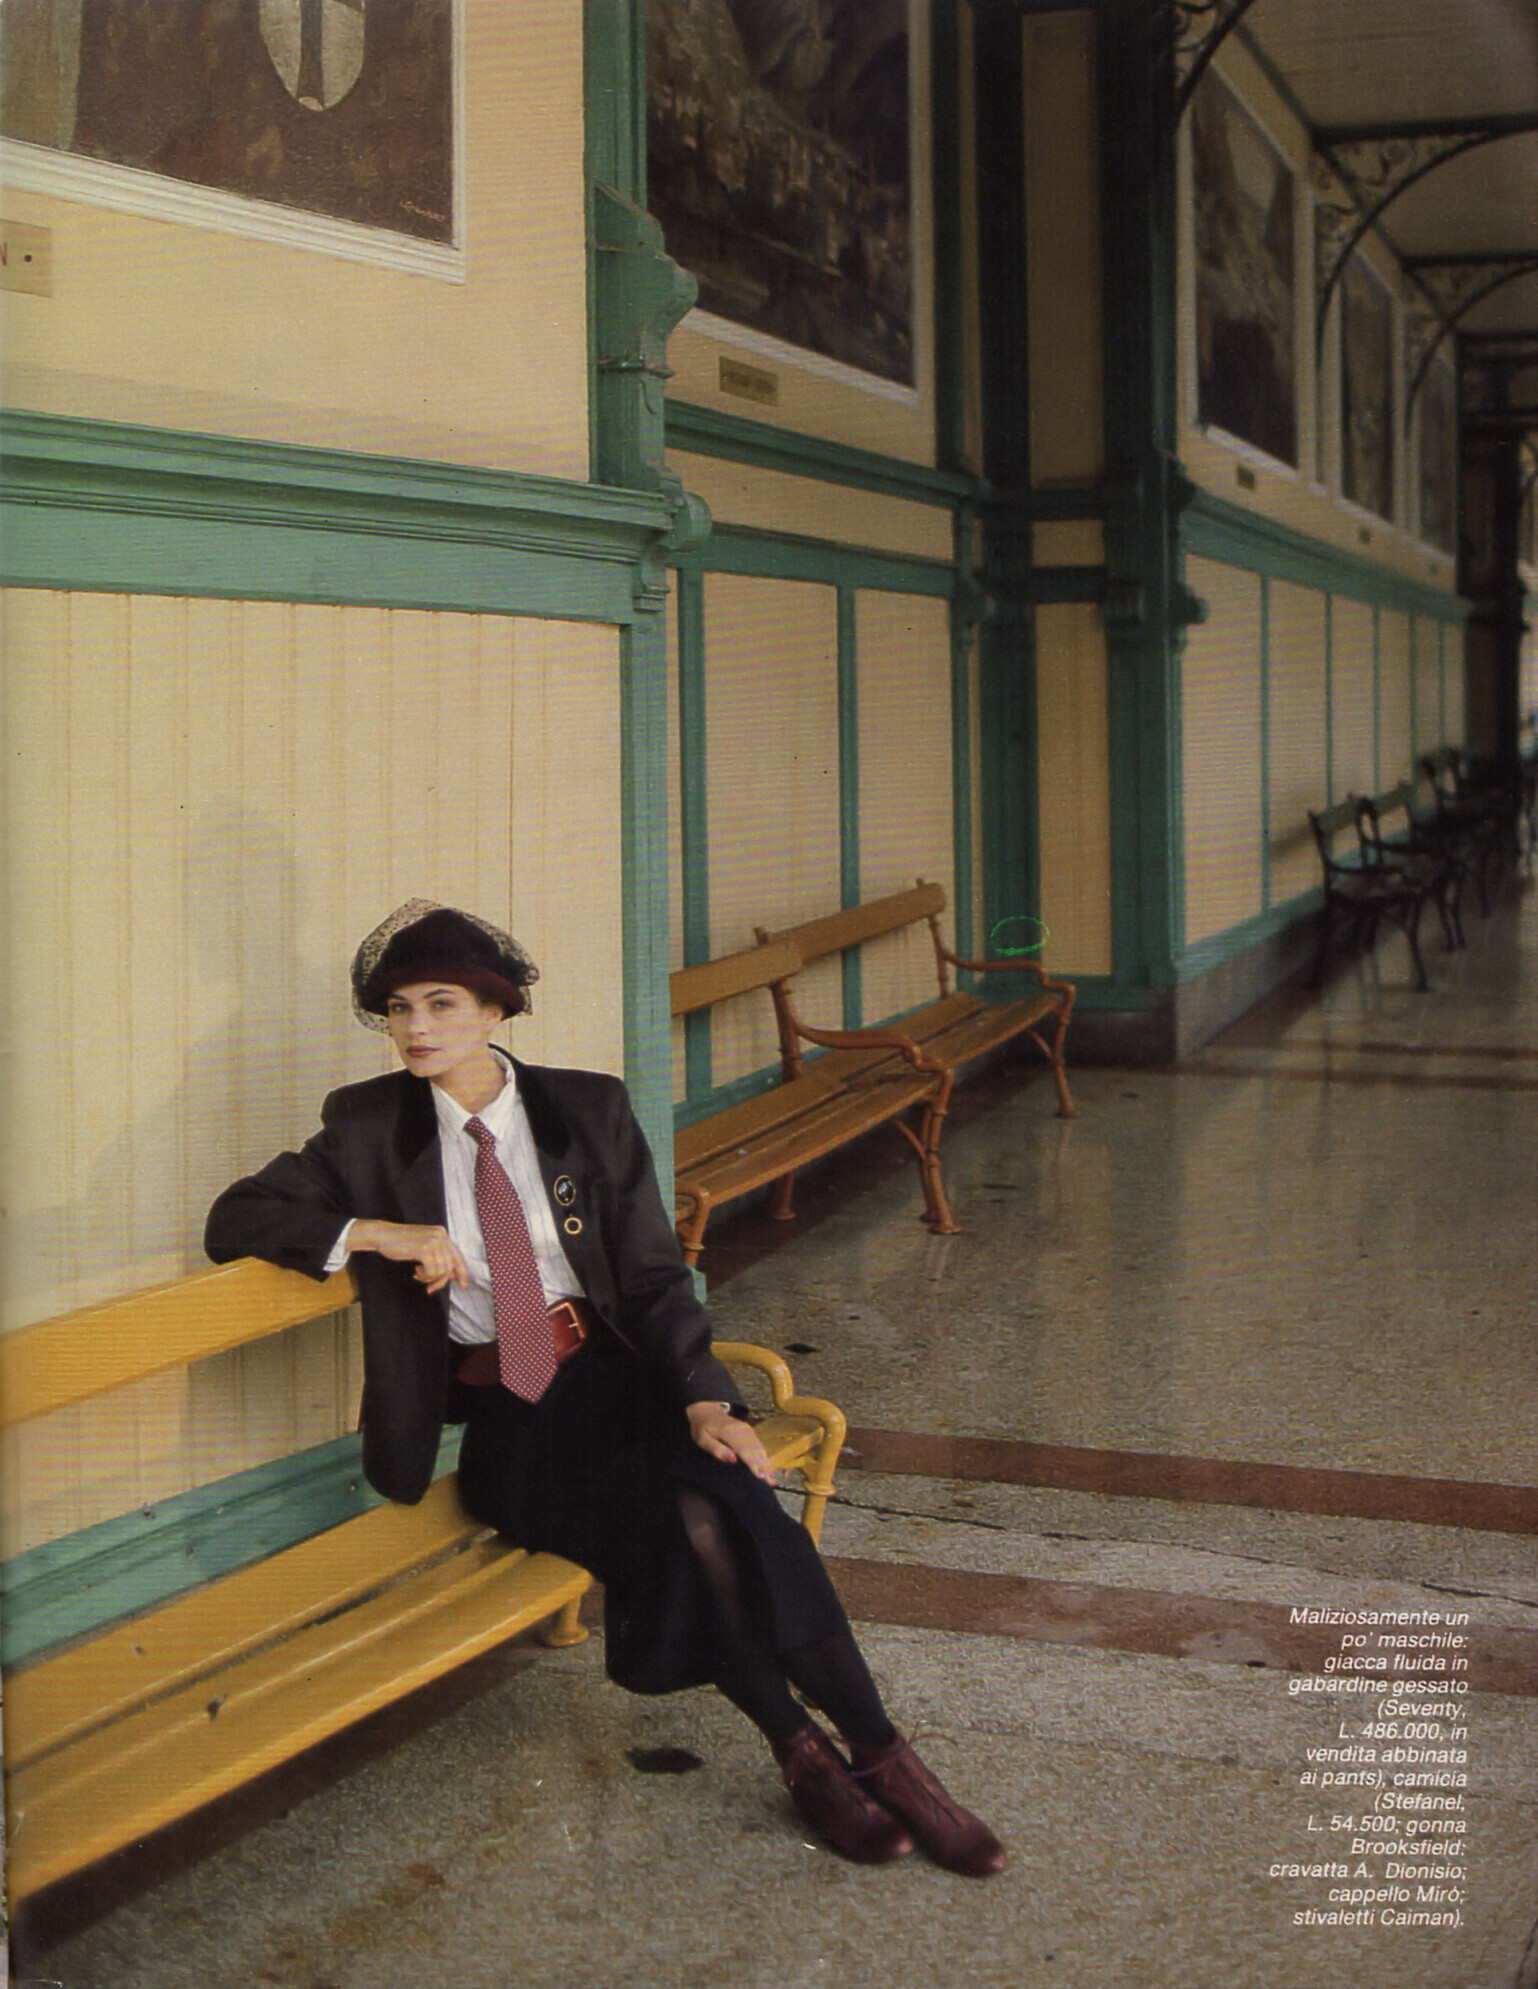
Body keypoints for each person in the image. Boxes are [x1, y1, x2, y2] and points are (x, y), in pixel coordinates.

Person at [206, 900, 1005, 1875]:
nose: (416, 1027)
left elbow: (653, 1275)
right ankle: (823, 1752)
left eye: (442, 1003)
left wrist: (707, 1398)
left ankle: (862, 1755)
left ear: (495, 1008)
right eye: (400, 1008)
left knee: (729, 1505)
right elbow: (236, 1216)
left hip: (619, 1380)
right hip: (513, 1418)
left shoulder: (585, 1110)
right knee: (691, 1521)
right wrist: (379, 1232)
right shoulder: (367, 1125)